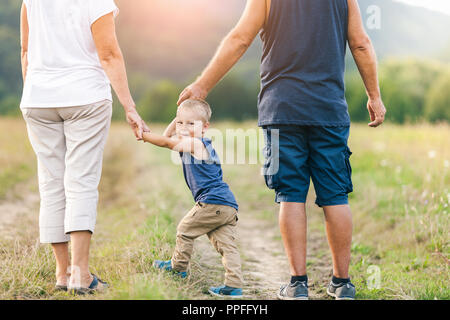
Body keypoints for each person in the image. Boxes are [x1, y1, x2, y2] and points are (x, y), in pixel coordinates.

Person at [177, 0, 387, 300]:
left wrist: (201, 86)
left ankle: (297, 284)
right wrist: (374, 96)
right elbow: (361, 44)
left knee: (291, 194)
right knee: (336, 195)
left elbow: (240, 39)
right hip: (328, 112)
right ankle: (342, 284)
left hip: (281, 110)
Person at [20, 0, 148, 294]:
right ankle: (80, 275)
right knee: (81, 182)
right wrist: (130, 107)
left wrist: (37, 92)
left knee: (51, 183)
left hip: (38, 97)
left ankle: (63, 273)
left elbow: (26, 52)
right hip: (85, 96)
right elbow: (109, 54)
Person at [142, 99, 244, 298]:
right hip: (226, 205)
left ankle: (177, 268)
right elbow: (167, 135)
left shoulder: (196, 144)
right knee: (226, 246)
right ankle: (234, 286)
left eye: (191, 123)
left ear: (205, 127)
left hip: (213, 201)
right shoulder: (190, 141)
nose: (184, 128)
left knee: (184, 230)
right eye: (180, 122)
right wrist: (179, 118)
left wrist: (144, 135)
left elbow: (165, 141)